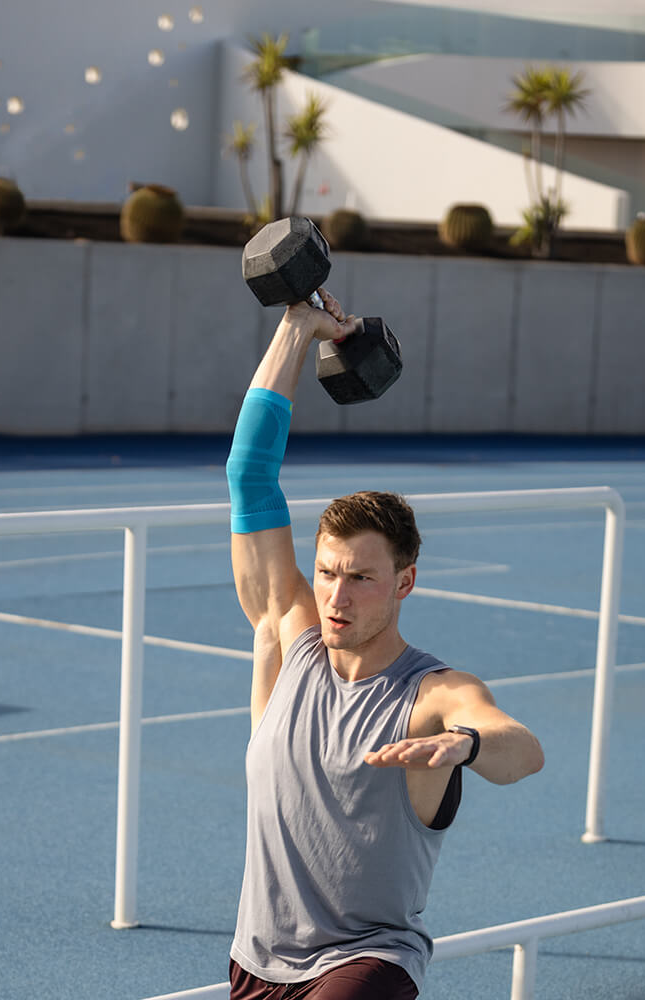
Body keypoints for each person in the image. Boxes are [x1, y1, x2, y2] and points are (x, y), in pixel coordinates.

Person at [225, 288, 544, 1000]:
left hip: (366, 963)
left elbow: (522, 750)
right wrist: (297, 328)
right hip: (256, 962)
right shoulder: (287, 636)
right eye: (327, 573)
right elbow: (248, 475)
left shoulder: (433, 693)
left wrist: (462, 745)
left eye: (361, 578)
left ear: (405, 582)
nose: (336, 597)